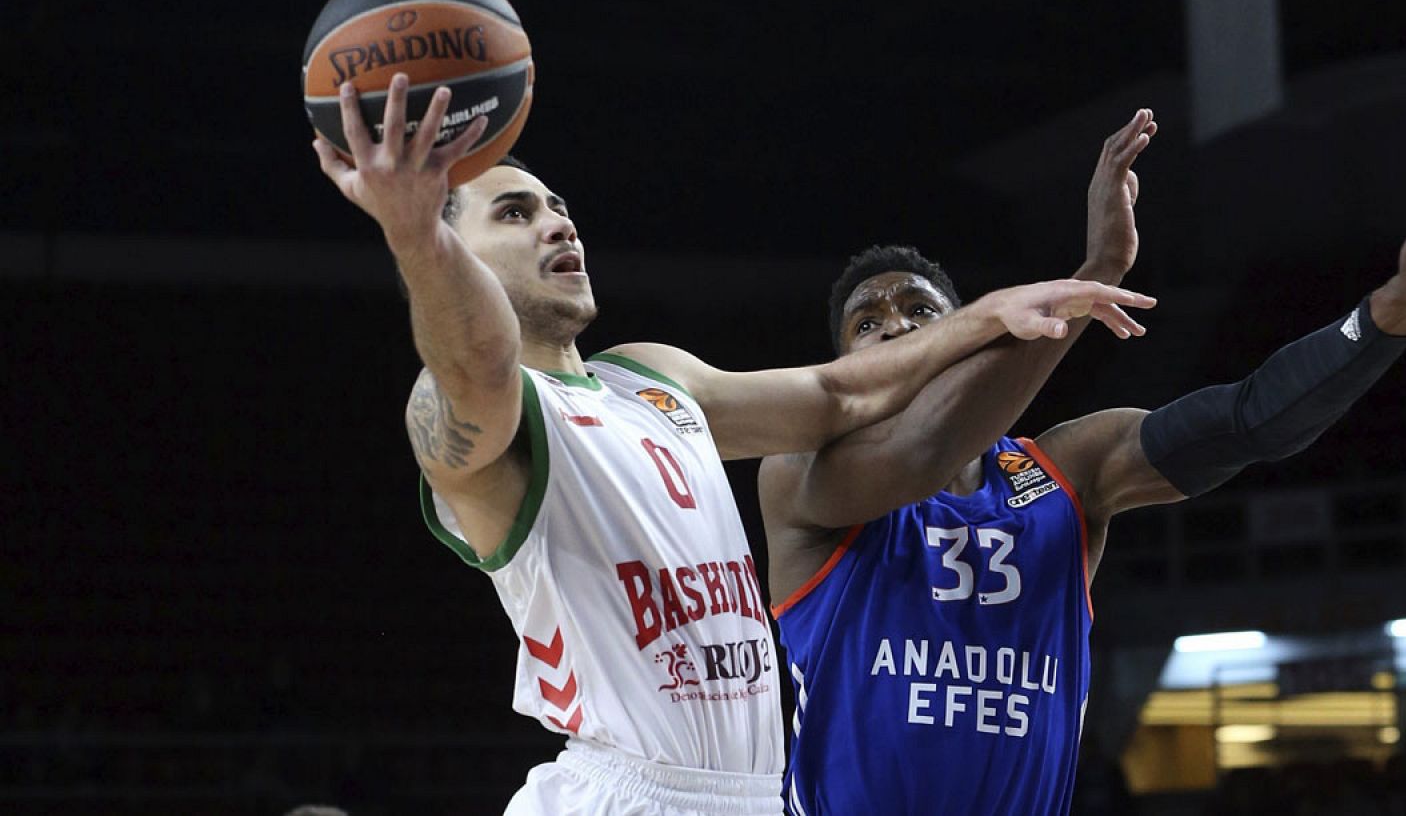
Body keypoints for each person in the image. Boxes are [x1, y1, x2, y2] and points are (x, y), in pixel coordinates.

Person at [311, 74, 1157, 815]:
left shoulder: (648, 377)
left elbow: (838, 393)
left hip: (752, 793)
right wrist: (417, 237)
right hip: (623, 792)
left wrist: (988, 315)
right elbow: (472, 360)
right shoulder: (475, 412)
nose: (557, 225)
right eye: (515, 212)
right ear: (459, 252)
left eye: (558, 207)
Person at [760, 109, 1406, 815]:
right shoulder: (802, 478)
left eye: (922, 312)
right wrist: (1097, 274)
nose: (897, 327)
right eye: (870, 323)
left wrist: (1393, 310)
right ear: (843, 363)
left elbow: (1252, 419)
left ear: (965, 332)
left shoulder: (1067, 470)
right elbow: (924, 451)